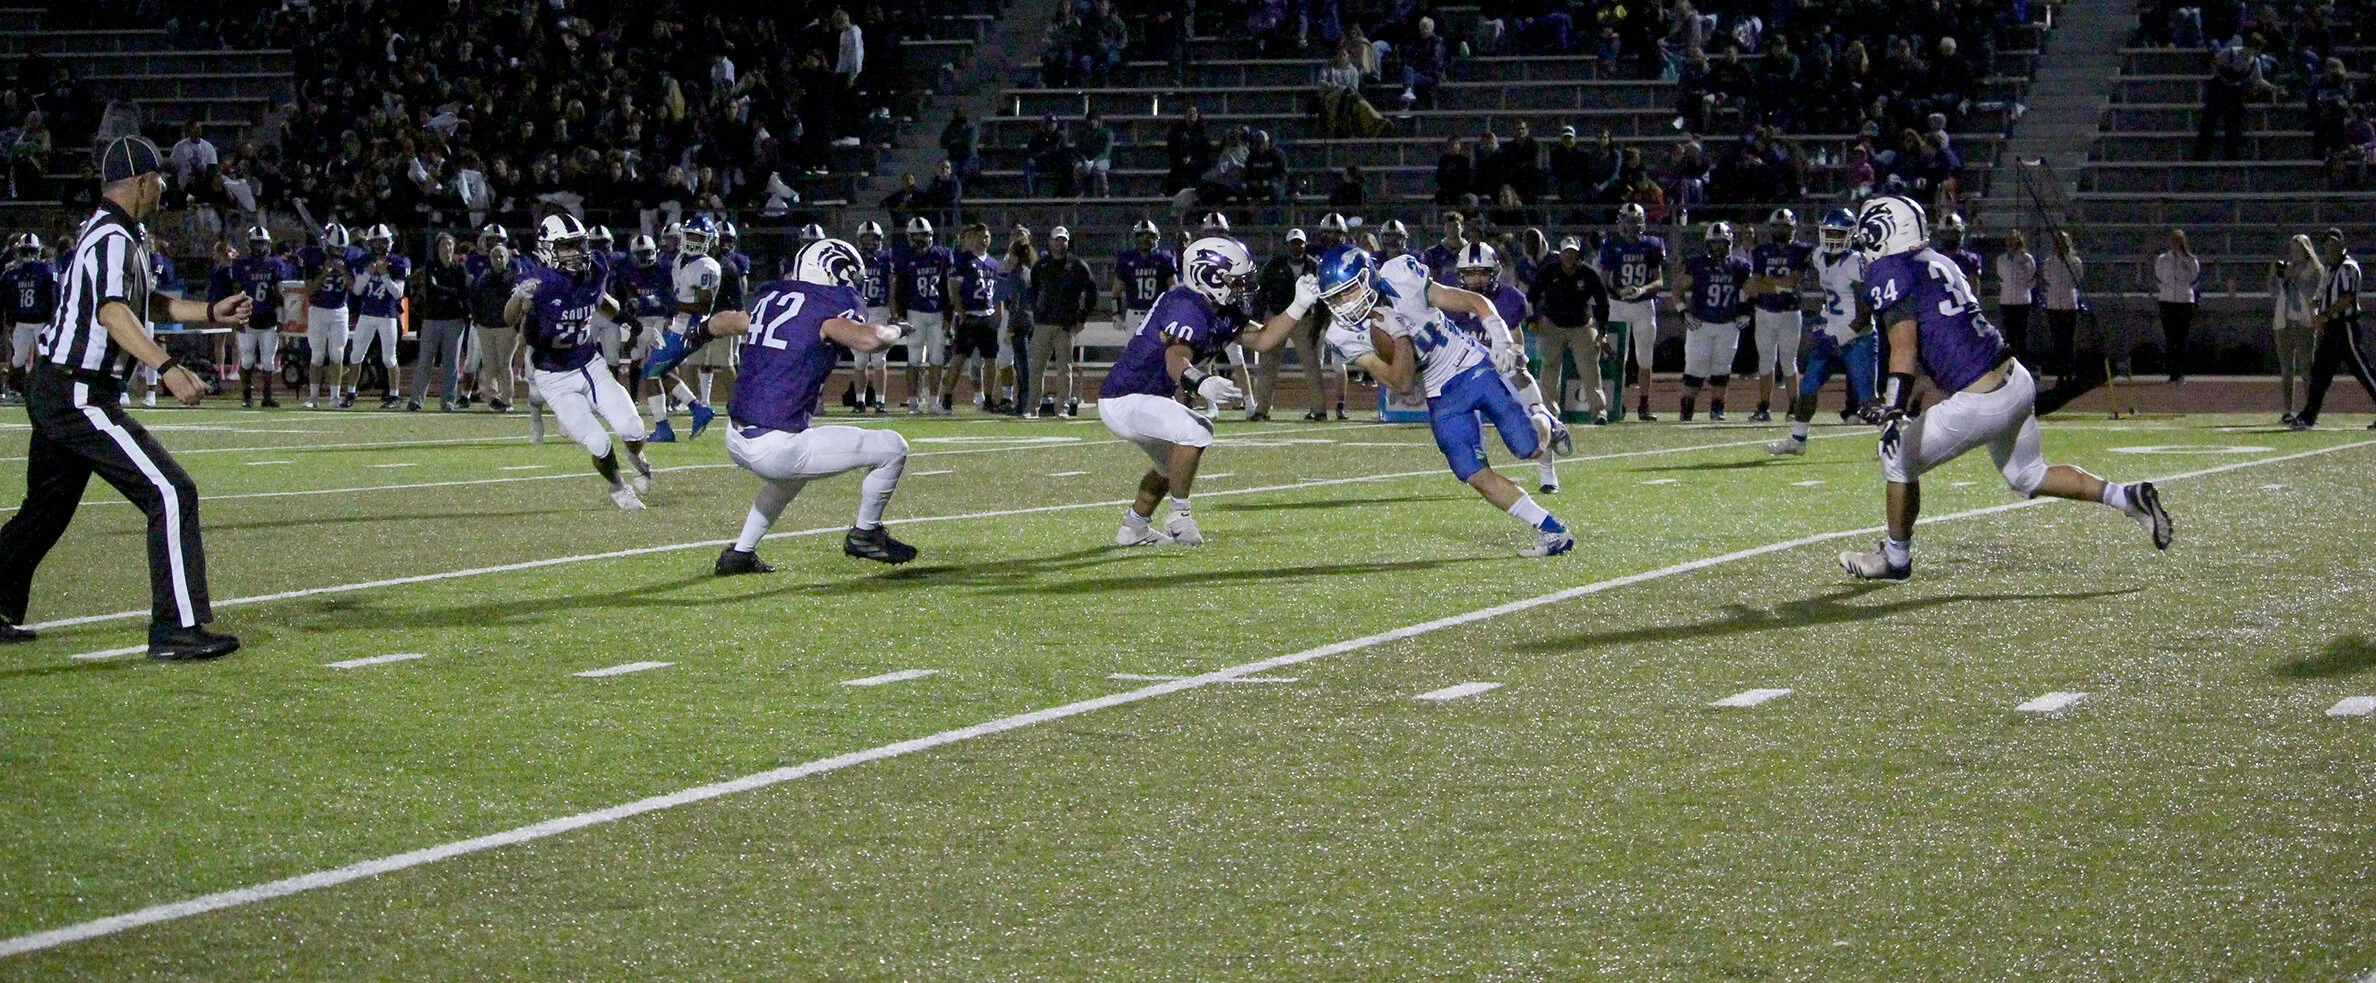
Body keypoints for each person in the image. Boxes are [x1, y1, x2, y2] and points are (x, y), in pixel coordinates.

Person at [0, 134, 251, 658]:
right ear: (140, 183)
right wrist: (168, 367)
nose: (163, 189)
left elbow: (143, 302)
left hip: (60, 385)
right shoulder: (113, 237)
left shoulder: (116, 233)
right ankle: (176, 629)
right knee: (171, 492)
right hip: (78, 391)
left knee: (44, 511)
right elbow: (114, 312)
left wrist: (209, 312)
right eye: (158, 179)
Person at [1838, 195, 2172, 581]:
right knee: (2028, 474)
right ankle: (2127, 497)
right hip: (2014, 378)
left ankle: (1896, 559)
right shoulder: (1939, 262)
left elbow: (1905, 348)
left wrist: (1893, 411)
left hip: (1980, 398)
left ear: (1882, 233)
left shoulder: (1890, 271)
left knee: (1897, 459)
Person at [1317, 244, 1574, 557]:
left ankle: (1547, 421)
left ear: (1367, 277)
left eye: (1349, 291)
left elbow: (1473, 300)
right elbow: (1401, 383)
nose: (1345, 304)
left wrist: (1501, 338)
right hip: (1440, 393)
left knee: (1528, 447)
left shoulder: (1401, 277)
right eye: (1336, 297)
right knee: (1472, 472)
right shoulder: (1342, 335)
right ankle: (1552, 530)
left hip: (1469, 363)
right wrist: (1401, 337)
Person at [705, 238, 918, 574]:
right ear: (833, 270)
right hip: (775, 444)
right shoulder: (826, 309)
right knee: (893, 448)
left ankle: (740, 554)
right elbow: (871, 339)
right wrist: (897, 329)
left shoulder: (771, 301)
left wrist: (695, 332)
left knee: (790, 478)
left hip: (736, 435)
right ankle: (866, 533)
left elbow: (723, 322)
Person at [1098, 236, 1305, 546]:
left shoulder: (1218, 307)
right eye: (1235, 280)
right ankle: (1179, 517)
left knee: (1169, 466)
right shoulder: (1187, 306)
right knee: (1196, 430)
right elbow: (1175, 358)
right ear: (1209, 277)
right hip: (1126, 397)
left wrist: (1299, 305)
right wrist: (1202, 382)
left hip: (1146, 397)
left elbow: (1263, 340)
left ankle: (1134, 528)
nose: (1242, 287)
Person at [510, 214, 656, 510]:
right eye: (566, 247)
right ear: (547, 249)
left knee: (633, 428)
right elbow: (509, 318)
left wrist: (634, 325)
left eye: (578, 245)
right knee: (598, 442)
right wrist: (518, 299)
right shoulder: (537, 282)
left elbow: (602, 302)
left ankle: (635, 455)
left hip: (589, 364)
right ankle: (618, 488)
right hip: (553, 376)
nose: (576, 253)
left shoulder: (595, 268)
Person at [1453, 240, 1567, 492]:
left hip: (1504, 372)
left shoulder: (1509, 299)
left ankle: (1548, 473)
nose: (1476, 280)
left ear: (1494, 272)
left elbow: (1518, 344)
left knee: (1535, 414)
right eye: (1470, 274)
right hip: (1467, 376)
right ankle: (1480, 475)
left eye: (1482, 273)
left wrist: (1512, 355)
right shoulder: (1451, 302)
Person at [1767, 209, 1873, 456]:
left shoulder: (1856, 262)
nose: (1832, 238)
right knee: (1807, 388)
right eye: (1829, 233)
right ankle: (1798, 440)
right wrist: (1824, 319)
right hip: (1832, 333)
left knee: (1868, 400)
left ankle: (1893, 441)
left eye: (1838, 234)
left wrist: (1839, 338)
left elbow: (1865, 314)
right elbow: (1828, 293)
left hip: (1859, 337)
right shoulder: (1818, 257)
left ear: (1850, 235)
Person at [2290, 229, 2374, 431]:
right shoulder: (2329, 269)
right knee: (2320, 372)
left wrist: (2325, 315)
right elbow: (2320, 295)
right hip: (2330, 328)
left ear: (2342, 244)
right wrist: (2315, 309)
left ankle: (2308, 415)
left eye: (2334, 243)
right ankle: (2308, 415)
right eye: (2327, 244)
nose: (2330, 247)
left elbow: (2347, 298)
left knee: (2362, 370)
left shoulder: (2348, 268)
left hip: (2345, 326)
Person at [1526, 236, 1611, 434]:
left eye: (1573, 253)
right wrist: (1533, 319)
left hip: (1582, 324)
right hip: (1552, 324)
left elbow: (1602, 302)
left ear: (1578, 255)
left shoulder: (1588, 274)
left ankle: (1598, 411)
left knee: (1589, 368)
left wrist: (1602, 331)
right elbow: (1532, 295)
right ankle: (1549, 412)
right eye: (1566, 253)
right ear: (1561, 254)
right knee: (1549, 368)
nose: (1570, 257)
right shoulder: (1549, 271)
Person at [647, 215, 721, 442]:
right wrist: (672, 309)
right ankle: (698, 409)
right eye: (690, 235)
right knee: (661, 371)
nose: (692, 241)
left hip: (691, 328)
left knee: (650, 372)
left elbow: (704, 305)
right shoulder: (681, 259)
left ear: (708, 241)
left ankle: (663, 428)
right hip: (679, 324)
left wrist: (673, 304)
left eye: (698, 237)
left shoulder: (706, 266)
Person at [1672, 221, 1750, 421]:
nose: (1718, 247)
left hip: (1728, 324)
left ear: (1729, 243)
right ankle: (1686, 410)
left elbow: (1751, 289)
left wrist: (1746, 310)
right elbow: (1677, 287)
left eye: (1721, 243)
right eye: (1714, 243)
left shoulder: (1739, 266)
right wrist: (1683, 311)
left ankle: (1717, 409)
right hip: (1701, 323)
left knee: (1722, 370)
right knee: (1694, 369)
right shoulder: (1698, 265)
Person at [1598, 202, 1668, 420]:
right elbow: (1604, 280)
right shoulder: (1611, 245)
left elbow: (1659, 281)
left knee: (1645, 358)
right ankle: (1616, 404)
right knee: (1616, 357)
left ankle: (1644, 405)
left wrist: (1642, 290)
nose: (1630, 226)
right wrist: (1619, 290)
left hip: (1643, 306)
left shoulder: (1652, 244)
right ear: (1621, 222)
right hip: (1617, 306)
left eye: (1634, 221)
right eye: (1627, 221)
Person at [1746, 208, 1811, 422]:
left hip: (1790, 312)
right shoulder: (1762, 251)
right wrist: (1779, 287)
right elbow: (1755, 284)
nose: (1781, 231)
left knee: (1788, 361)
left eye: (1785, 227)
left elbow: (1793, 281)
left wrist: (1770, 283)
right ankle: (1764, 406)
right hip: (1765, 311)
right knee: (1765, 361)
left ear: (1793, 229)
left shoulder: (1801, 250)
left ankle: (1794, 406)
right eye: (1778, 227)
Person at [1029, 226, 1098, 419]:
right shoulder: (1041, 265)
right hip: (1043, 323)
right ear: (1050, 241)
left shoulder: (1077, 265)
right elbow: (1033, 291)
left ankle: (1062, 408)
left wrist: (1082, 317)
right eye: (1057, 239)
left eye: (1063, 240)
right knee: (1037, 368)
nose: (1060, 243)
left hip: (1065, 325)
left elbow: (1092, 292)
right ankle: (1032, 408)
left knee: (1064, 369)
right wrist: (1037, 313)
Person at [892, 216, 954, 413]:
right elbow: (898, 289)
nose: (920, 240)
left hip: (937, 312)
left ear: (930, 236)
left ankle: (934, 402)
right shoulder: (904, 257)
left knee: (937, 358)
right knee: (914, 358)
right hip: (915, 312)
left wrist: (948, 316)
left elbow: (948, 287)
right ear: (909, 237)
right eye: (916, 236)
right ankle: (912, 402)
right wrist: (900, 314)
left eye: (923, 236)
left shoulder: (942, 254)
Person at [221, 226, 288, 408]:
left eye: (262, 244)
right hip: (248, 318)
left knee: (268, 361)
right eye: (256, 244)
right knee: (247, 359)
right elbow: (236, 294)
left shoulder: (274, 264)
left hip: (268, 317)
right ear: (249, 245)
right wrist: (237, 317)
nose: (259, 248)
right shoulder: (241, 264)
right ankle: (247, 396)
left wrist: (281, 318)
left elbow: (279, 295)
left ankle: (267, 396)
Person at [940, 223, 1004, 413]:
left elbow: (997, 294)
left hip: (988, 316)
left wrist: (998, 318)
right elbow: (954, 289)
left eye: (986, 236)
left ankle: (989, 399)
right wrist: (960, 311)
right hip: (969, 316)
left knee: (991, 360)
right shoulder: (963, 260)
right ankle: (947, 399)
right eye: (979, 236)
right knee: (959, 359)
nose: (983, 240)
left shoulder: (994, 263)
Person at [299, 222, 362, 409]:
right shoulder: (313, 256)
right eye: (335, 249)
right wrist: (325, 272)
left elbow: (355, 288)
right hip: (318, 310)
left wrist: (343, 270)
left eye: (341, 249)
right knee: (317, 355)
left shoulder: (350, 257)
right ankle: (313, 398)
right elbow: (310, 290)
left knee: (338, 354)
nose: (338, 253)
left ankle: (335, 398)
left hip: (339, 311)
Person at [347, 223, 408, 409]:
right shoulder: (364, 260)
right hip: (367, 313)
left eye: (381, 242)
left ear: (389, 242)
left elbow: (398, 294)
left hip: (387, 315)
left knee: (389, 358)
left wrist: (384, 275)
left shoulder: (398, 262)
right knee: (356, 355)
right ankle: (350, 393)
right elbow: (357, 290)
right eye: (375, 242)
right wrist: (367, 273)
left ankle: (394, 395)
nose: (378, 246)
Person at [408, 231, 470, 411]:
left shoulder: (459, 269)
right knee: (425, 361)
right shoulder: (431, 267)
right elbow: (432, 289)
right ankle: (416, 400)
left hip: (453, 319)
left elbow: (462, 292)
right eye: (443, 245)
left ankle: (448, 401)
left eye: (449, 245)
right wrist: (451, 292)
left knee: (451, 363)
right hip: (432, 319)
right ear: (437, 248)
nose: (447, 248)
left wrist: (446, 292)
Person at [2271, 233, 2325, 423]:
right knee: (2286, 368)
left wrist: (2293, 277)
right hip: (2283, 320)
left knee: (2306, 367)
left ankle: (2311, 409)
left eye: (2298, 250)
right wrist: (2274, 275)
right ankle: (2287, 410)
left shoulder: (2314, 269)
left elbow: (2310, 293)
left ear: (2306, 250)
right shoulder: (2288, 268)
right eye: (2292, 250)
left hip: (2304, 321)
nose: (2294, 254)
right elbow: (2273, 291)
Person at [3, 233, 57, 403]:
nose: (27, 255)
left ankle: (45, 391)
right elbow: (6, 299)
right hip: (22, 321)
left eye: (30, 251)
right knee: (19, 358)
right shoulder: (12, 273)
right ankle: (17, 389)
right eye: (25, 251)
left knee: (45, 356)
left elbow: (54, 296)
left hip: (41, 321)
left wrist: (52, 319)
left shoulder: (45, 271)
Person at [845, 221, 892, 414]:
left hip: (880, 309)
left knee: (879, 360)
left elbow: (892, 286)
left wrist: (893, 312)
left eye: (873, 239)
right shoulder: (853, 261)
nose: (870, 243)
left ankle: (880, 402)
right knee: (860, 360)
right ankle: (859, 401)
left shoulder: (886, 259)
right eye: (866, 239)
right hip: (860, 310)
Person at [1112, 219, 1178, 344]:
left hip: (1157, 314)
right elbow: (1116, 291)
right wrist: (1116, 314)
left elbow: (1174, 291)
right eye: (1141, 236)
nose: (1145, 240)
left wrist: (1171, 313)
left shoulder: (1164, 258)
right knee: (1134, 352)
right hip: (1134, 315)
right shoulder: (1127, 260)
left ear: (1156, 237)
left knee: (1159, 351)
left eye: (1149, 236)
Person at [2152, 229, 2201, 383]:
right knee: (2170, 337)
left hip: (2184, 301)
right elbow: (2158, 279)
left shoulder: (2190, 260)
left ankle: (2179, 371)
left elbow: (2195, 280)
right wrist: (2167, 290)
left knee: (2181, 337)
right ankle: (2172, 371)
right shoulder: (2162, 259)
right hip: (2167, 300)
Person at [2041, 231, 2082, 379]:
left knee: (2068, 340)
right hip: (2053, 304)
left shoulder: (2074, 261)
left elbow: (2077, 279)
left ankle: (2070, 371)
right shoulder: (2049, 262)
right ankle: (2060, 372)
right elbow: (2047, 278)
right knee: (2057, 340)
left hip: (2069, 303)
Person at [1994, 230, 2037, 368]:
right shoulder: (2001, 259)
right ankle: (2011, 365)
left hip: (2022, 301)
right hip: (2006, 301)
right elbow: (2001, 277)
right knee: (2009, 335)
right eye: (2009, 239)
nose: (2011, 242)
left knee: (2022, 335)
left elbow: (2031, 278)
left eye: (2014, 239)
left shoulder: (2027, 259)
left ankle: (2023, 363)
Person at [1073, 112, 1115, 198]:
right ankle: (1079, 193)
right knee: (1077, 168)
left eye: (1094, 120)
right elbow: (1078, 150)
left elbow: (1105, 153)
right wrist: (1084, 160)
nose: (1092, 122)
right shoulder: (1083, 133)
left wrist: (1093, 161)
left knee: (1098, 168)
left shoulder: (1107, 133)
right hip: (1086, 160)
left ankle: (1104, 193)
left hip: (1103, 160)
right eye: (1090, 120)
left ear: (1098, 121)